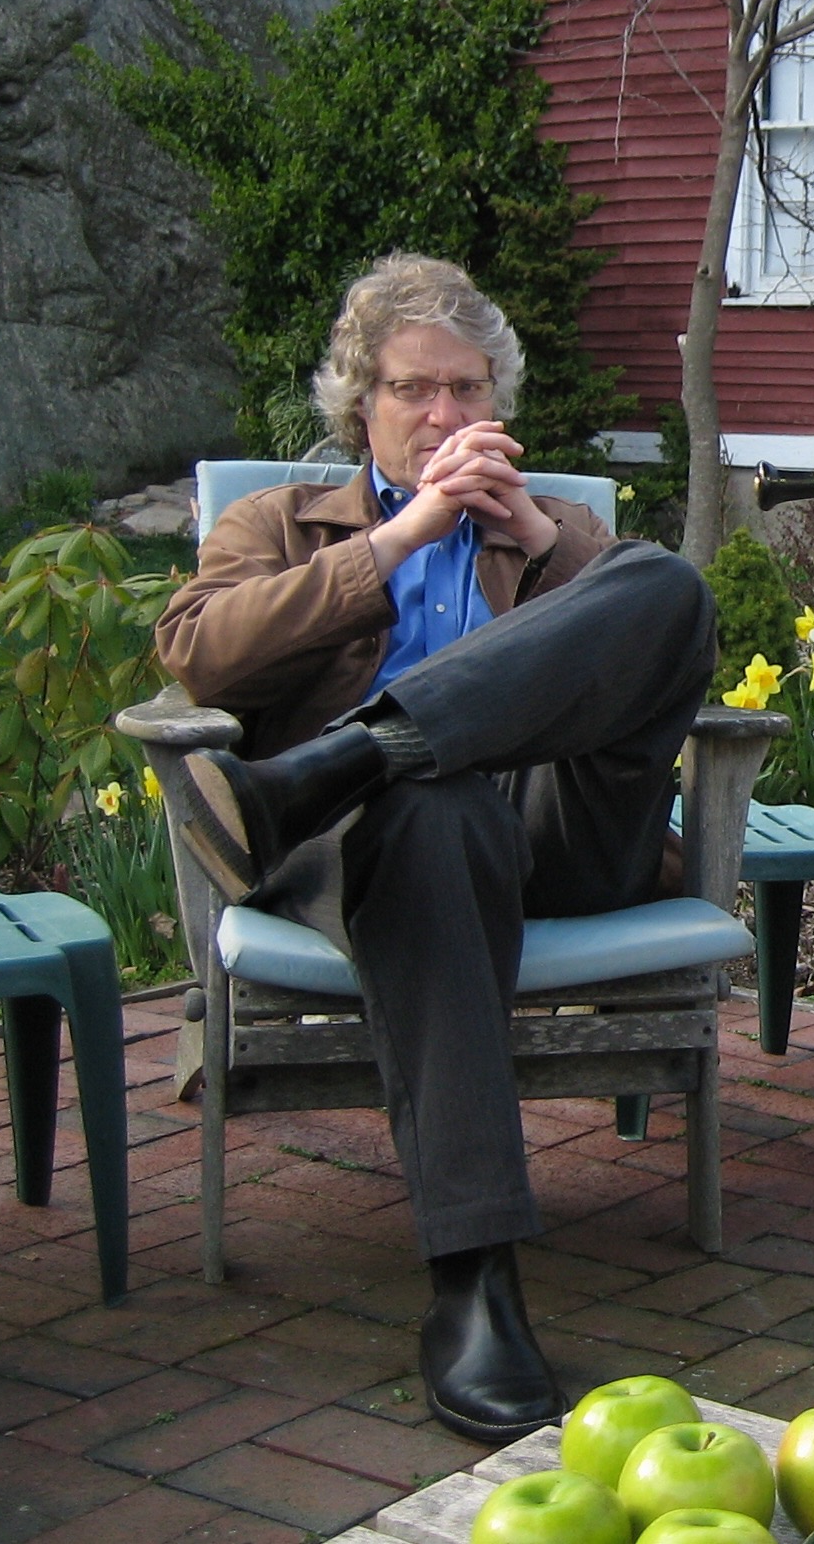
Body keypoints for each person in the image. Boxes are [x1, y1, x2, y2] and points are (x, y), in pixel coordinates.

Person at [154, 255, 715, 1444]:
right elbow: (199, 655)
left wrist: (541, 542)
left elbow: (654, 649)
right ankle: (475, 1286)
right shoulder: (279, 523)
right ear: (361, 405)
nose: (445, 415)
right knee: (431, 808)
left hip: (556, 831)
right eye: (415, 389)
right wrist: (400, 538)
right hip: (376, 854)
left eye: (468, 389)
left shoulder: (554, 527)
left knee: (664, 585)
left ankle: (339, 761)